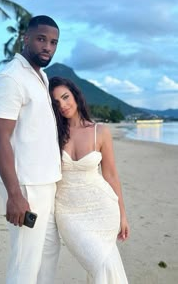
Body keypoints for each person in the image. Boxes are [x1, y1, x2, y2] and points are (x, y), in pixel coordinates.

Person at [0, 16, 62, 284]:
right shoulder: (11, 78)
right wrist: (14, 194)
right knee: (25, 263)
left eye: (53, 42)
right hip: (25, 185)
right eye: (41, 39)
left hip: (46, 182)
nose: (47, 47)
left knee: (48, 253)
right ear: (26, 38)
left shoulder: (40, 76)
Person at [49, 76, 130, 283]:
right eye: (56, 102)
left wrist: (122, 214)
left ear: (76, 96)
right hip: (68, 213)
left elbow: (110, 174)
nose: (63, 105)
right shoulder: (52, 134)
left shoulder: (100, 132)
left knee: (102, 268)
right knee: (101, 264)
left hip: (103, 209)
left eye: (66, 97)